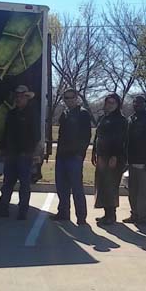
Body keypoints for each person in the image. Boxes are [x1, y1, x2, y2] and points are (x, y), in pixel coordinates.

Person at [0, 85, 40, 220]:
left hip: (24, 155)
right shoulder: (11, 114)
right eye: (17, 96)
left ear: (27, 98)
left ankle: (22, 212)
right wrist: (3, 148)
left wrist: (30, 151)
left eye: (22, 97)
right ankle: (3, 209)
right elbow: (6, 133)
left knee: (24, 185)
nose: (18, 99)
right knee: (7, 183)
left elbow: (36, 136)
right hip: (11, 155)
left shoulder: (32, 114)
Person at [52, 88, 92, 225]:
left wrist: (80, 154)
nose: (68, 100)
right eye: (66, 98)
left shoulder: (83, 114)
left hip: (74, 157)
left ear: (76, 98)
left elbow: (86, 136)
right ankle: (63, 213)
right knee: (61, 187)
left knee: (77, 188)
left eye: (71, 97)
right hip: (61, 156)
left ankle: (81, 217)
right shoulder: (64, 114)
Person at [125, 95, 146, 225]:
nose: (137, 105)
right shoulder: (131, 119)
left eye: (140, 103)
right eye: (135, 102)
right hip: (132, 160)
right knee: (133, 190)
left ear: (145, 104)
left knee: (145, 191)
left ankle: (145, 216)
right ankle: (135, 214)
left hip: (145, 161)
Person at [93, 93, 127, 226]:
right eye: (108, 102)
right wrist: (94, 152)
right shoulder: (103, 118)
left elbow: (121, 140)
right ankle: (106, 213)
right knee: (102, 185)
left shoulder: (121, 120)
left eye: (113, 103)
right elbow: (98, 136)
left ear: (118, 104)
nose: (110, 105)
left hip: (113, 157)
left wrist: (115, 156)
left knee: (111, 185)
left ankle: (111, 215)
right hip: (102, 155)